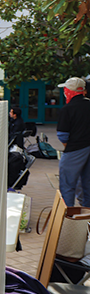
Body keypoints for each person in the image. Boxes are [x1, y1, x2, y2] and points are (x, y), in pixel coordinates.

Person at [57, 77, 90, 207]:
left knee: (67, 184)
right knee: (87, 183)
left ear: (69, 91)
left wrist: (69, 145)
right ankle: (86, 217)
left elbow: (62, 135)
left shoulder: (67, 109)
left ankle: (67, 216)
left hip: (75, 149)